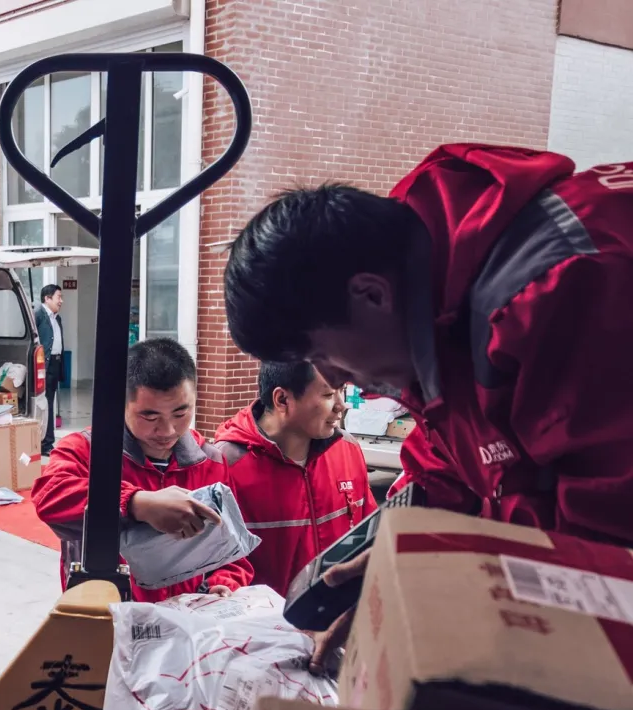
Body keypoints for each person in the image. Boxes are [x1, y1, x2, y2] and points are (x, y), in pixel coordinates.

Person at [224, 143, 633, 666]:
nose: (330, 379)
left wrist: (436, 586)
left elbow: (604, 557)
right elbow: (456, 464)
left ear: (371, 294)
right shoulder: (430, 295)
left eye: (319, 352)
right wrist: (399, 560)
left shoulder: (561, 292)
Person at [32, 338, 253, 601]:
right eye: (150, 417)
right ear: (120, 404)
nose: (168, 430)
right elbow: (48, 497)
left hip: (186, 623)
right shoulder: (87, 451)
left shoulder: (211, 463)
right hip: (108, 623)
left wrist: (223, 584)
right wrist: (137, 503)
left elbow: (231, 551)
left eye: (181, 414)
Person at [213, 362, 377, 593]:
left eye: (342, 391)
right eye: (329, 394)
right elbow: (218, 564)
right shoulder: (225, 465)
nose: (341, 405)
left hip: (340, 618)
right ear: (282, 400)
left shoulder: (347, 449)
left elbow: (368, 534)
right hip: (266, 624)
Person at [34, 283, 65, 453]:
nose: (61, 301)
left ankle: (48, 442)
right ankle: (44, 442)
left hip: (55, 363)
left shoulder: (56, 318)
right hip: (43, 365)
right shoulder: (39, 315)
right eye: (58, 297)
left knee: (50, 402)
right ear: (47, 298)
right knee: (43, 403)